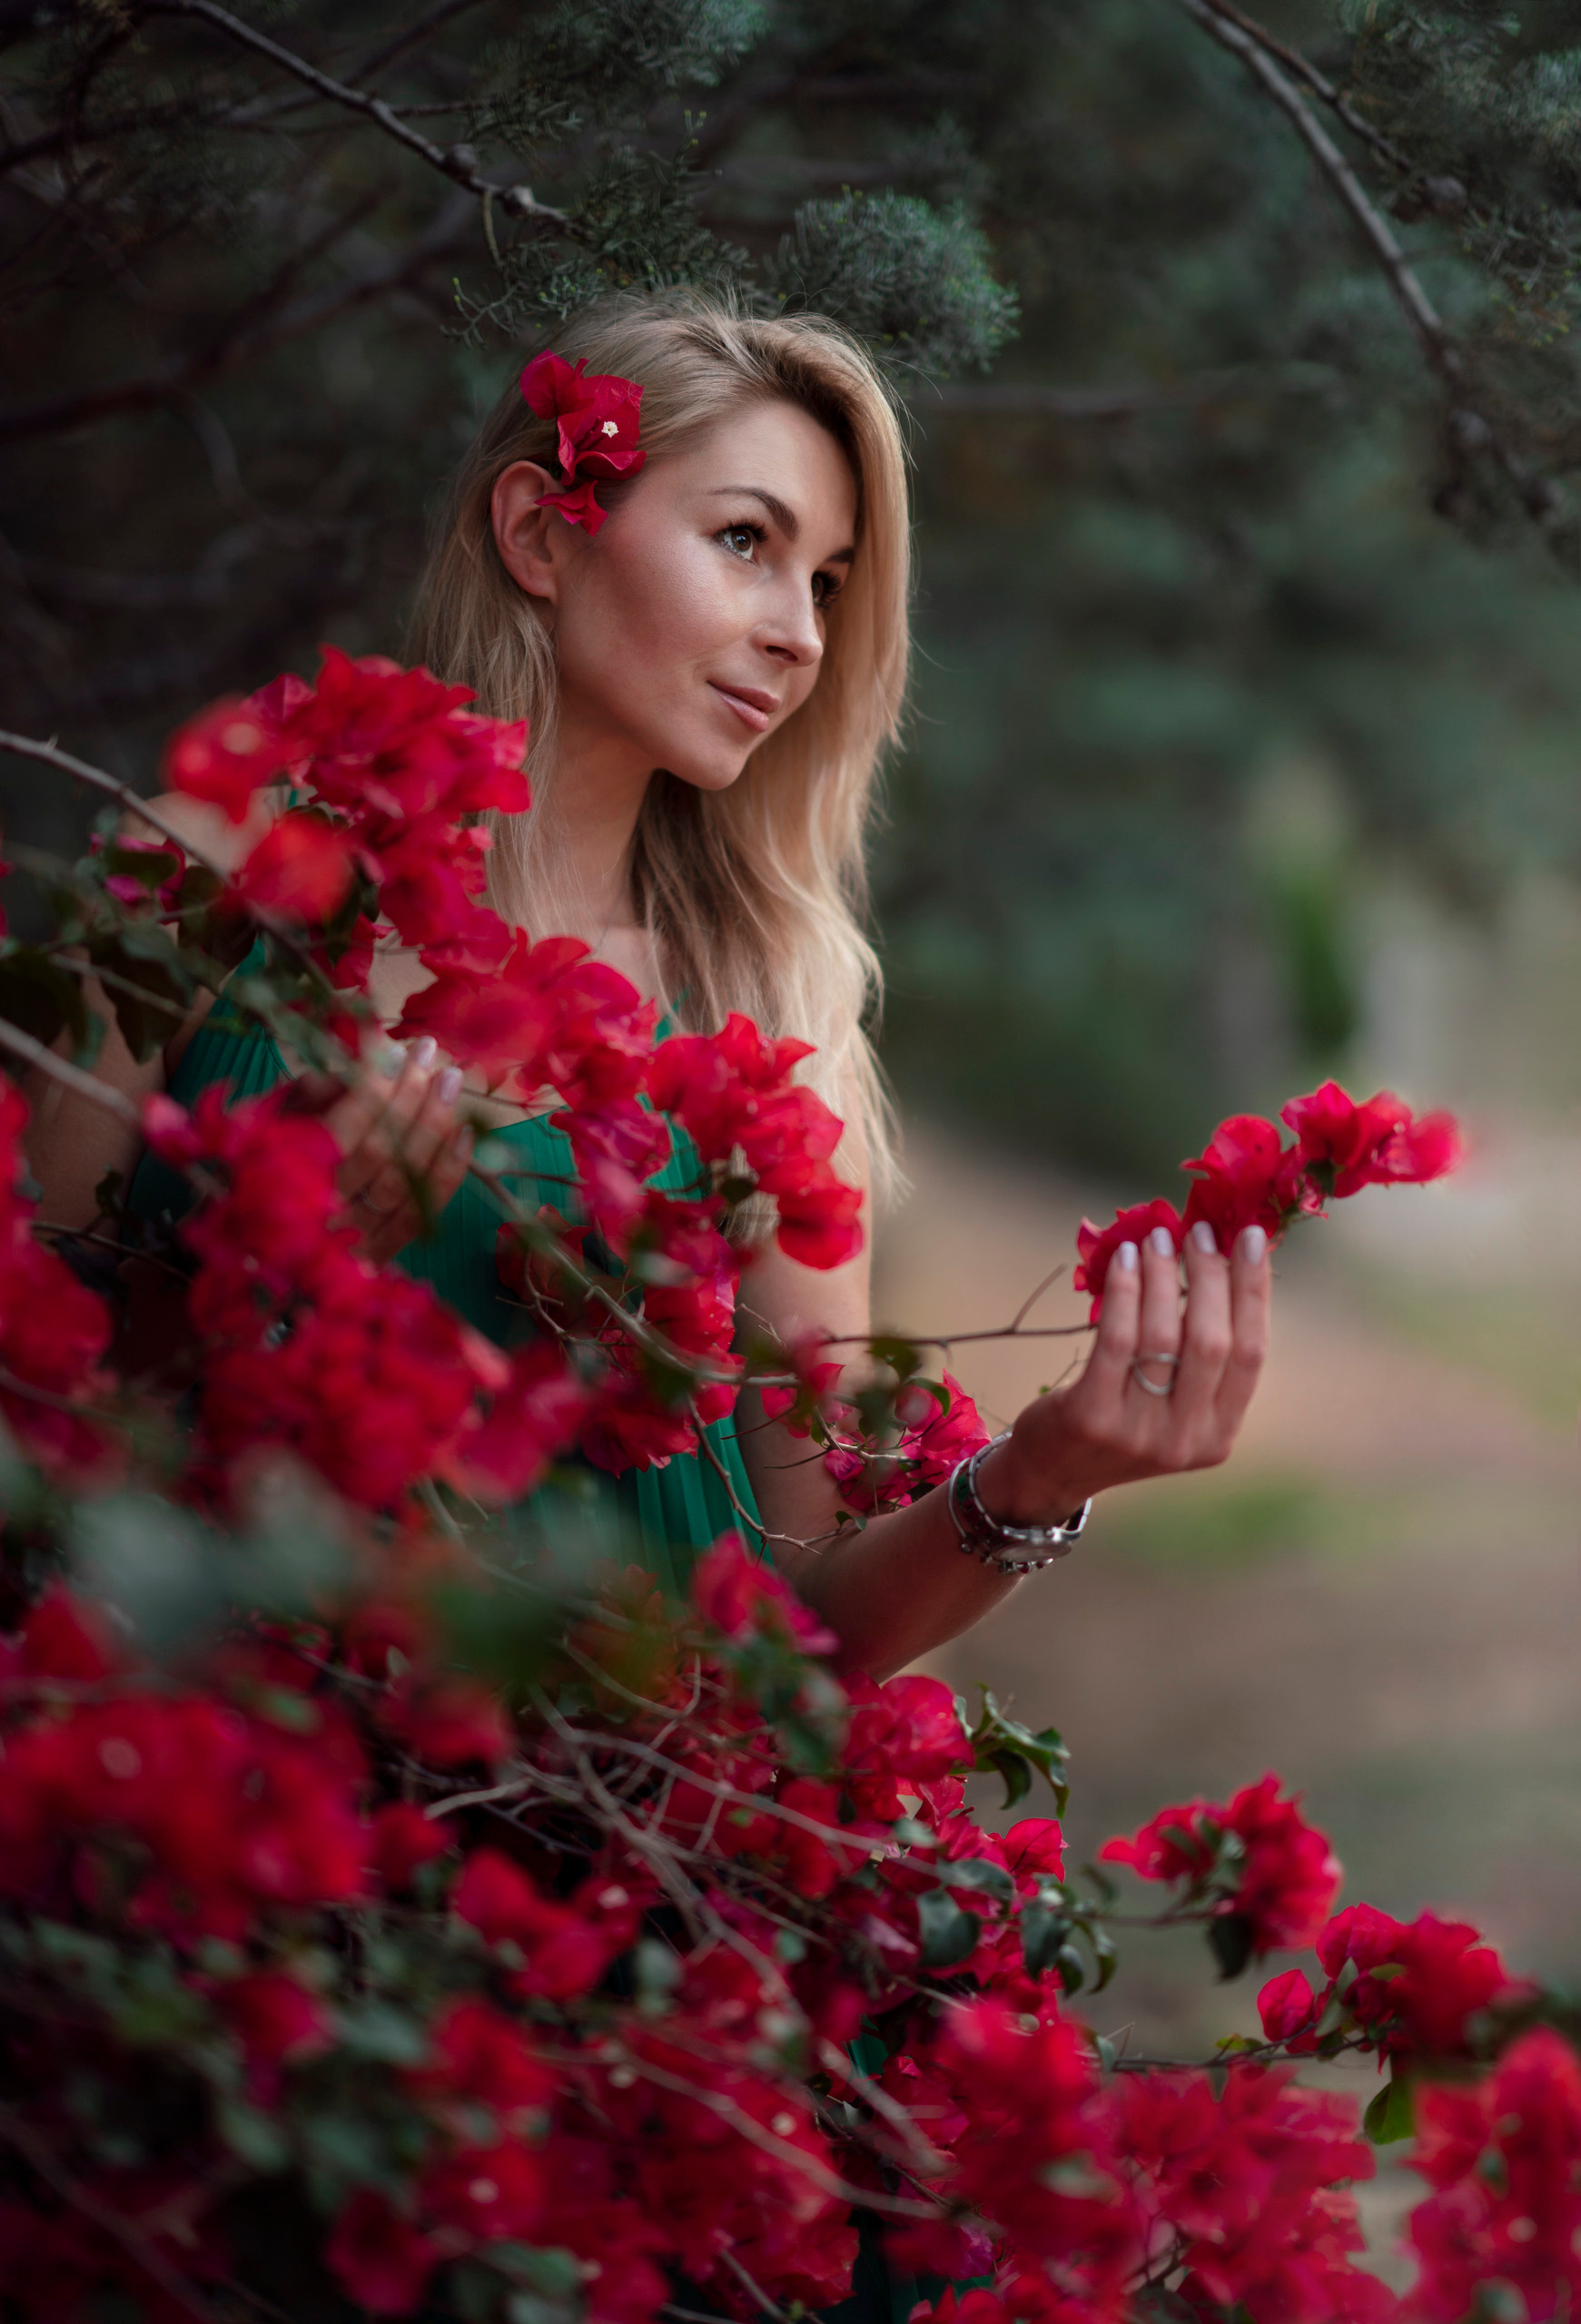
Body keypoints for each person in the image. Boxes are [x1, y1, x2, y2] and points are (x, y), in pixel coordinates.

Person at [25, 291, 1270, 1682]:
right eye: (747, 541)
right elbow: (33, 1416)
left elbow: (811, 1618)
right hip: (222, 1797)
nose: (800, 631)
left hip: (614, 1835)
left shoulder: (771, 1016)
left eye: (829, 583)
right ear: (540, 531)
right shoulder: (201, 874)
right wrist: (271, 1271)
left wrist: (1035, 1478)